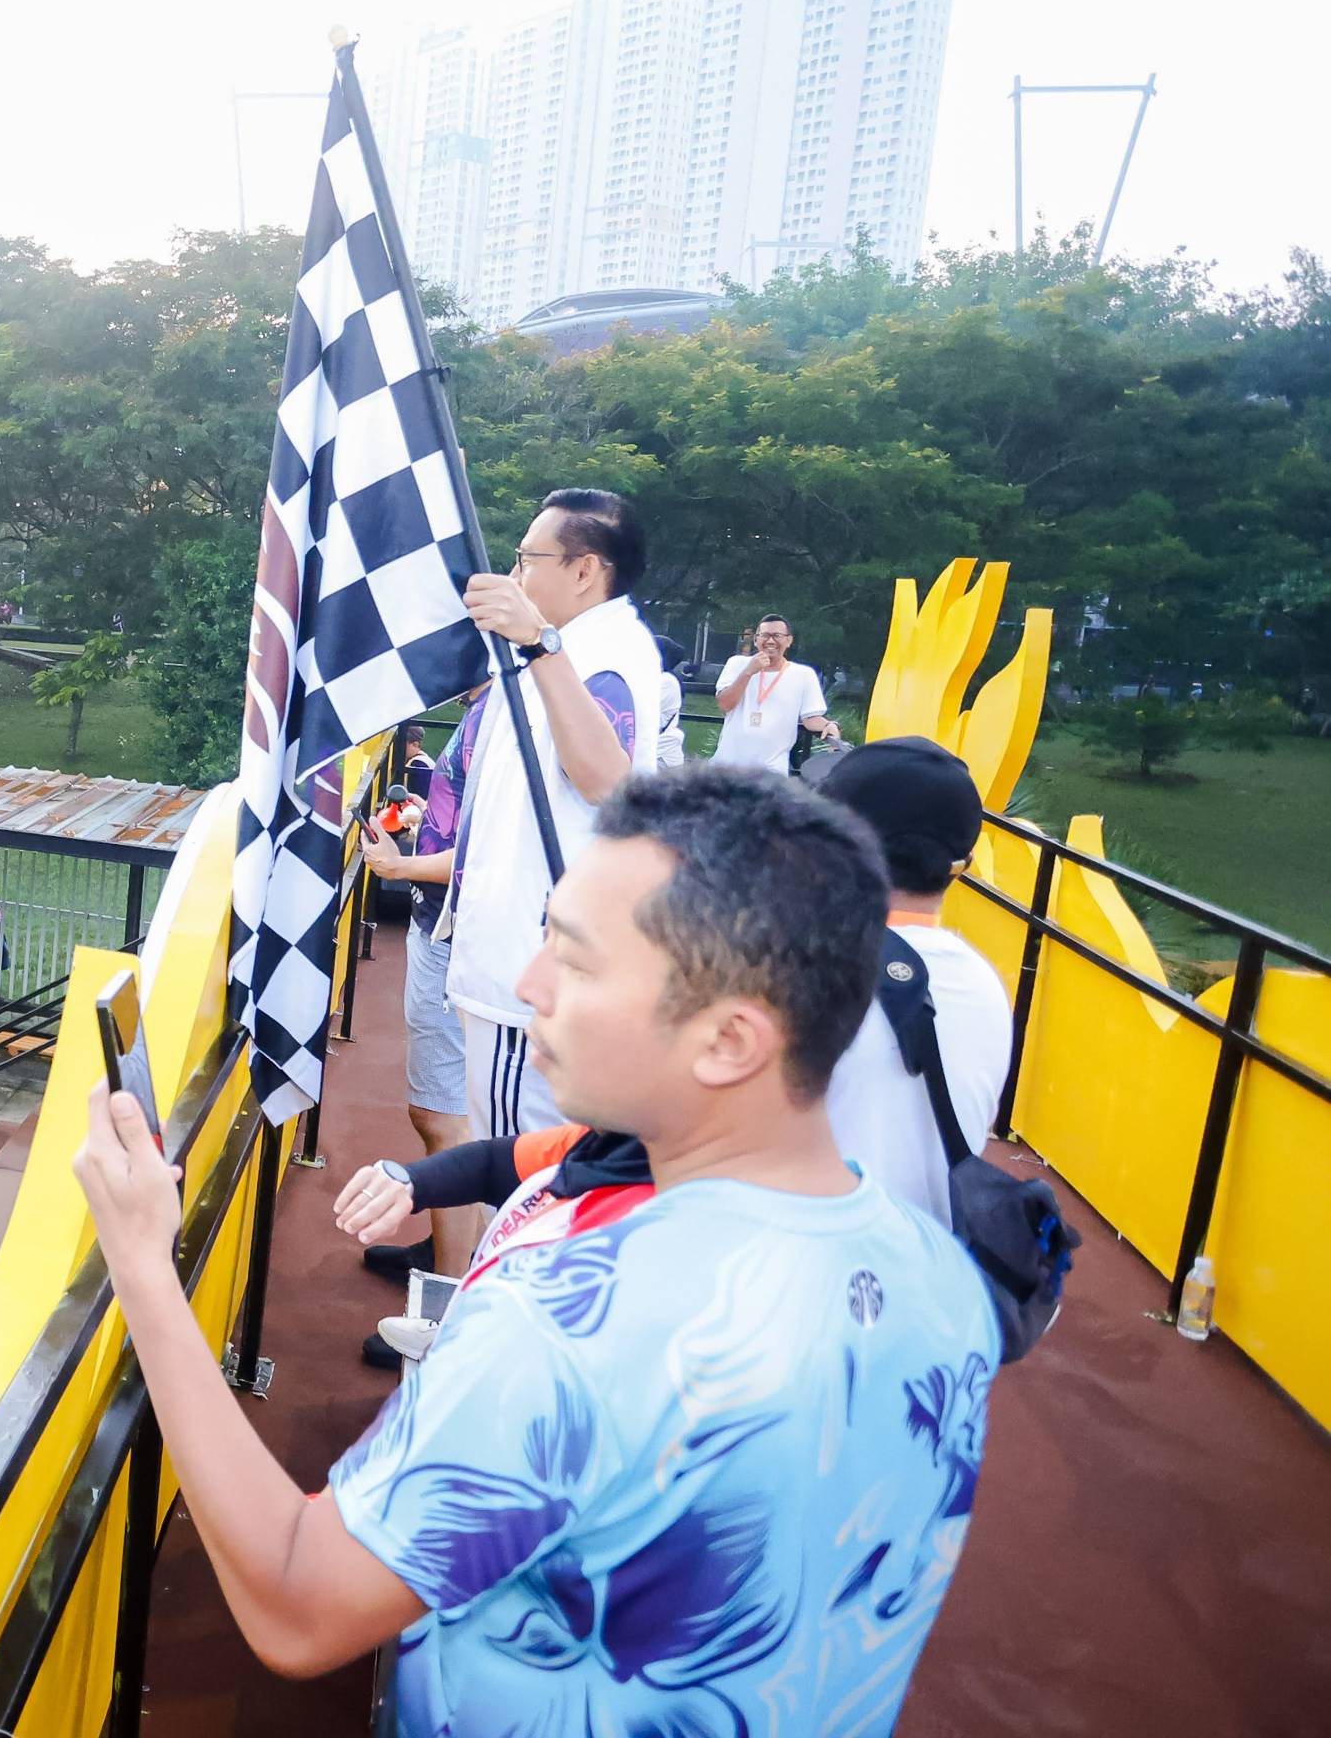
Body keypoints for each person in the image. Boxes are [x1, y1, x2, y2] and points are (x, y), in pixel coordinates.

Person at [71, 766, 1002, 1724]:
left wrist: (143, 1266)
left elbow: (298, 1602)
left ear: (730, 1041)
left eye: (578, 961)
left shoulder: (571, 1324)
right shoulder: (936, 1276)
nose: (530, 984)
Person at [445, 487, 667, 1138]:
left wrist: (541, 645)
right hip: (526, 958)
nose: (515, 574)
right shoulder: (573, 645)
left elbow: (606, 780)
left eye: (527, 558)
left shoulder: (599, 653)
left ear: (584, 570)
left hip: (530, 970)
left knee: (515, 1163)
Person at [816, 737, 1011, 1228]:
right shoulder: (985, 983)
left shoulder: (800, 971)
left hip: (812, 1262)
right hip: (936, 1261)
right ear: (961, 867)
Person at [355, 709, 480, 1299]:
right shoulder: (493, 710)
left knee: (443, 1117)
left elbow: (487, 850)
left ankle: (445, 1300)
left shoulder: (507, 712)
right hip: (447, 930)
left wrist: (399, 865)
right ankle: (449, 1249)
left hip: (454, 937)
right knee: (454, 1113)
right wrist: (425, 819)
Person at [712, 614, 840, 772]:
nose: (770, 641)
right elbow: (724, 704)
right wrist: (748, 672)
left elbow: (810, 718)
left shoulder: (803, 674)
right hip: (726, 767)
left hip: (771, 771)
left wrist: (829, 725)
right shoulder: (737, 663)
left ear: (789, 640)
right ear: (756, 639)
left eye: (777, 636)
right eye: (765, 635)